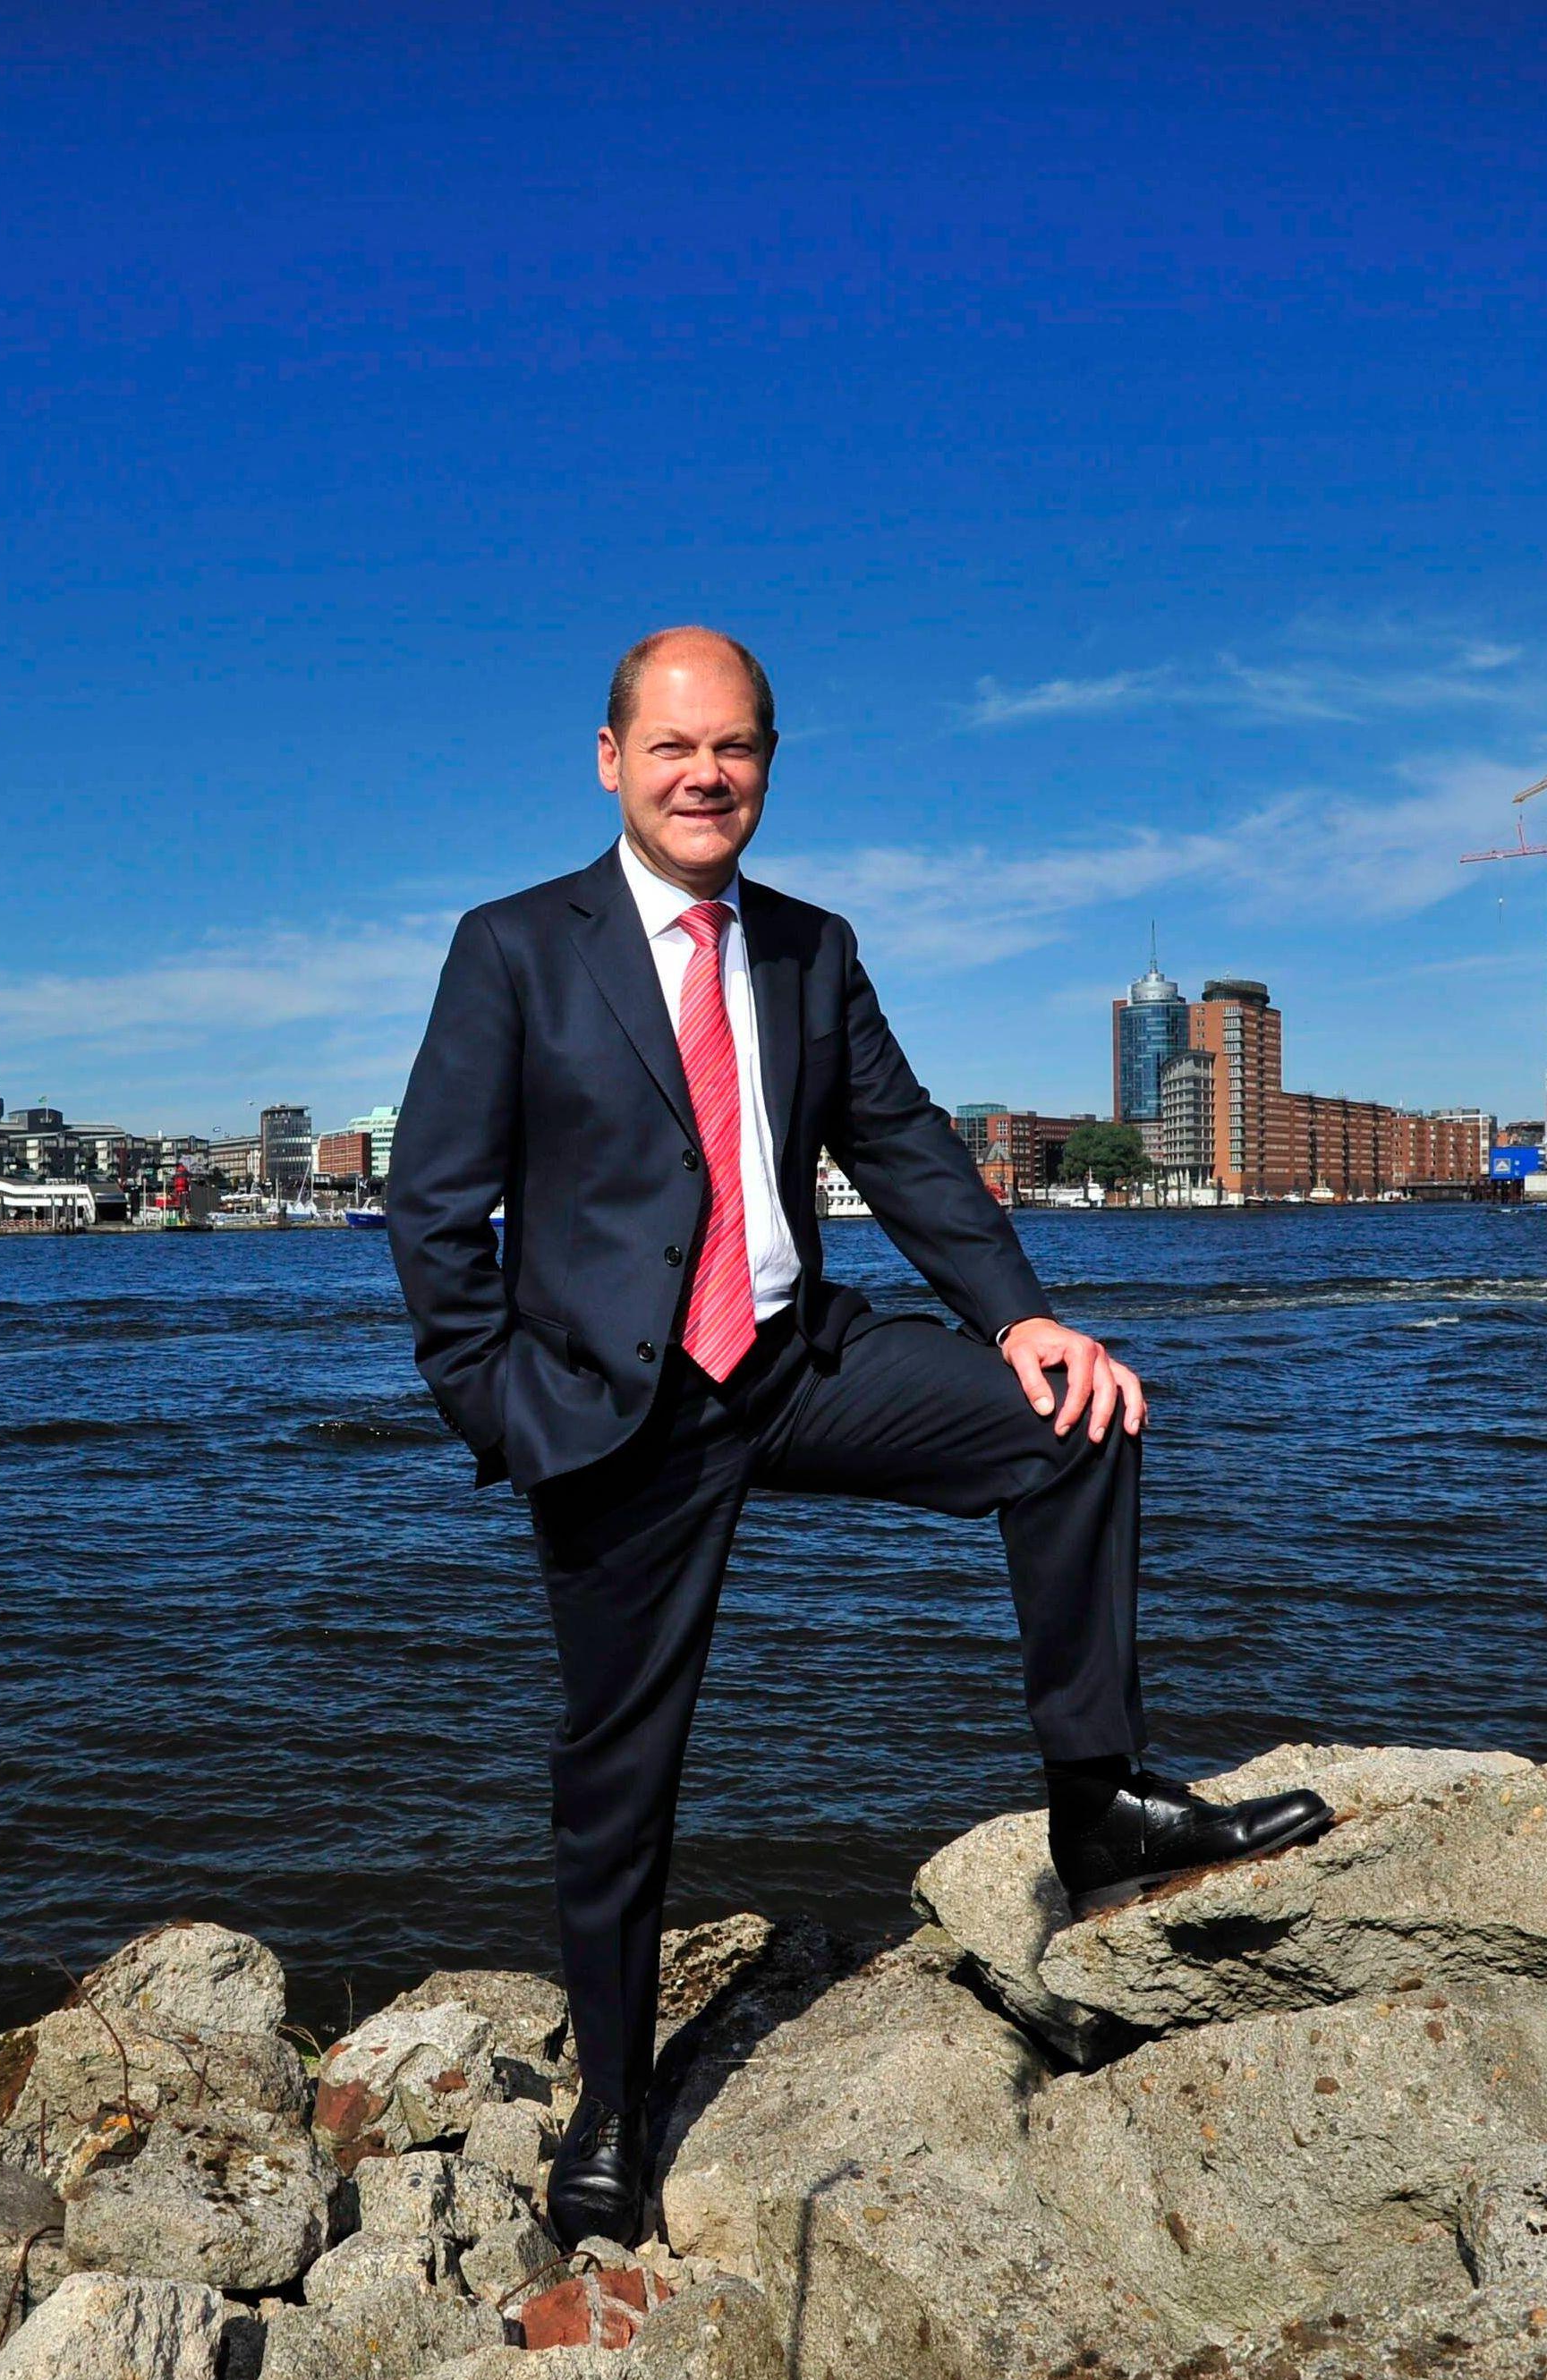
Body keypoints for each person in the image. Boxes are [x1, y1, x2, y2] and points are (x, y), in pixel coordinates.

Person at [385, 626, 1330, 2247]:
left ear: (767, 766)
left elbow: (903, 1147)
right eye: (673, 746)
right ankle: (613, 2107)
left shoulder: (813, 949)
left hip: (797, 1358)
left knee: (1073, 1421)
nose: (705, 775)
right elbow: (432, 1202)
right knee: (622, 1773)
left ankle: (1096, 1804)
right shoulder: (515, 947)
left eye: (736, 748)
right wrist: (502, 1404)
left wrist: (1020, 1314)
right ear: (609, 759)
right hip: (619, 1413)